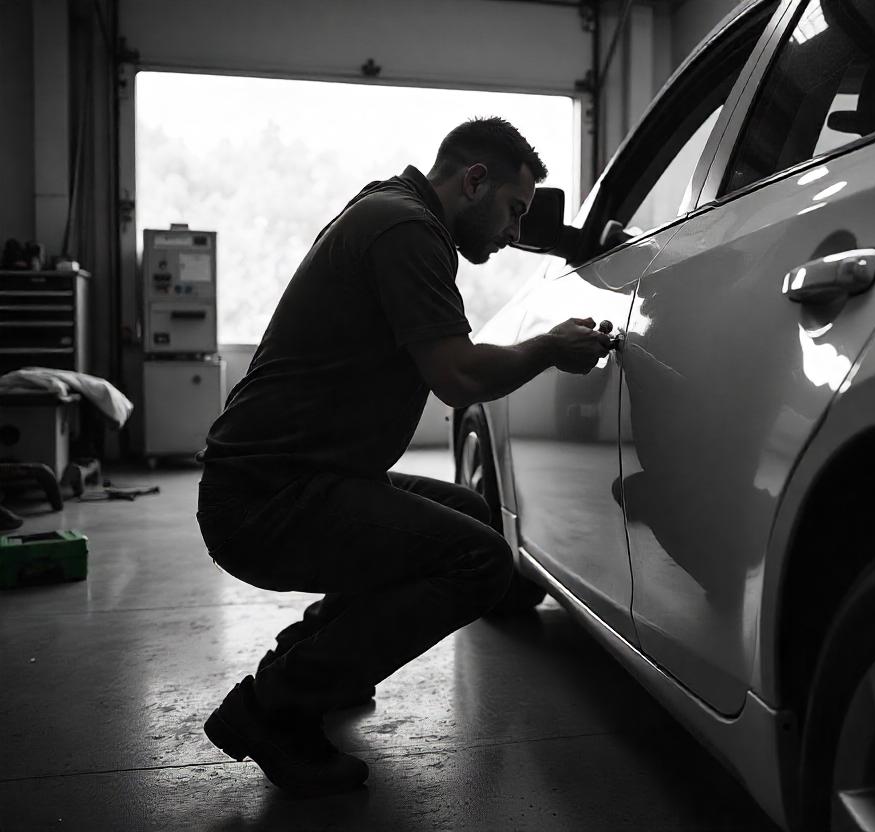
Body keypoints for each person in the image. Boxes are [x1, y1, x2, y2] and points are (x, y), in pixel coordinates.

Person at [195, 116, 613, 795]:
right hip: (267, 500)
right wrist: (548, 348)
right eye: (514, 210)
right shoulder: (407, 229)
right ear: (474, 181)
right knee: (480, 561)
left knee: (468, 510)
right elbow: (459, 376)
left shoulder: (390, 207)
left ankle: (305, 661)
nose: (514, 233)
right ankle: (273, 710)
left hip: (291, 481)